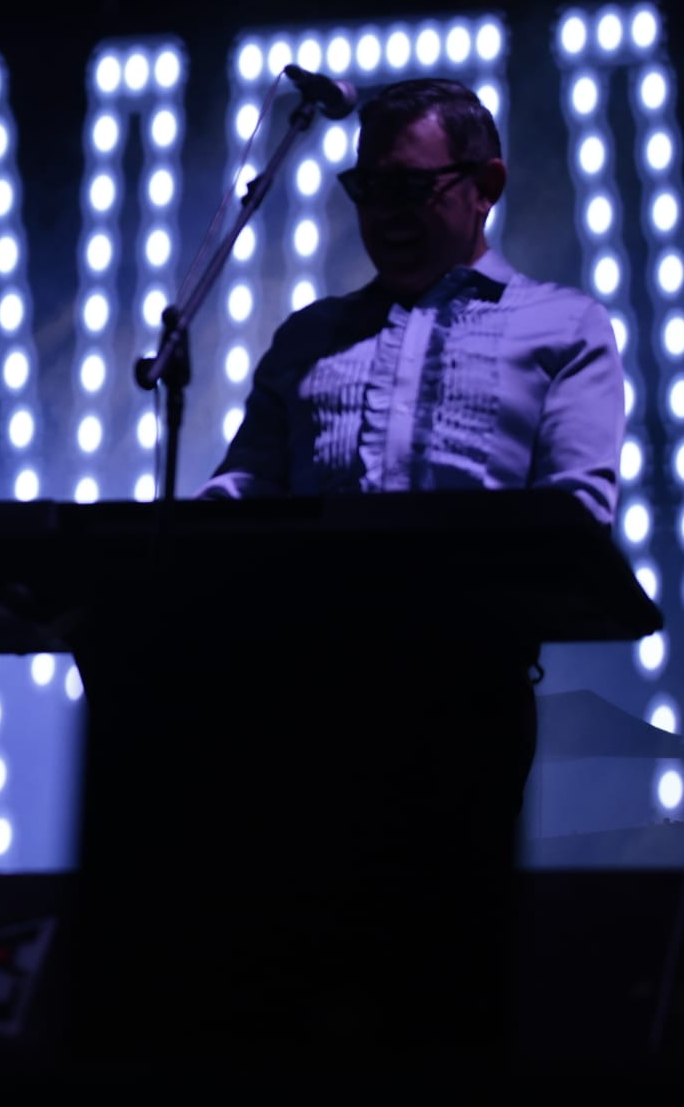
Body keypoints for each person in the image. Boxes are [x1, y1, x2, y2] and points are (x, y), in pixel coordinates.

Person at [198, 76, 626, 812]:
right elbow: (245, 487)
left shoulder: (564, 326)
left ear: (485, 184)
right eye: (369, 187)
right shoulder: (309, 336)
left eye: (411, 187)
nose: (386, 212)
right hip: (301, 686)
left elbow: (577, 514)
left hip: (465, 690)